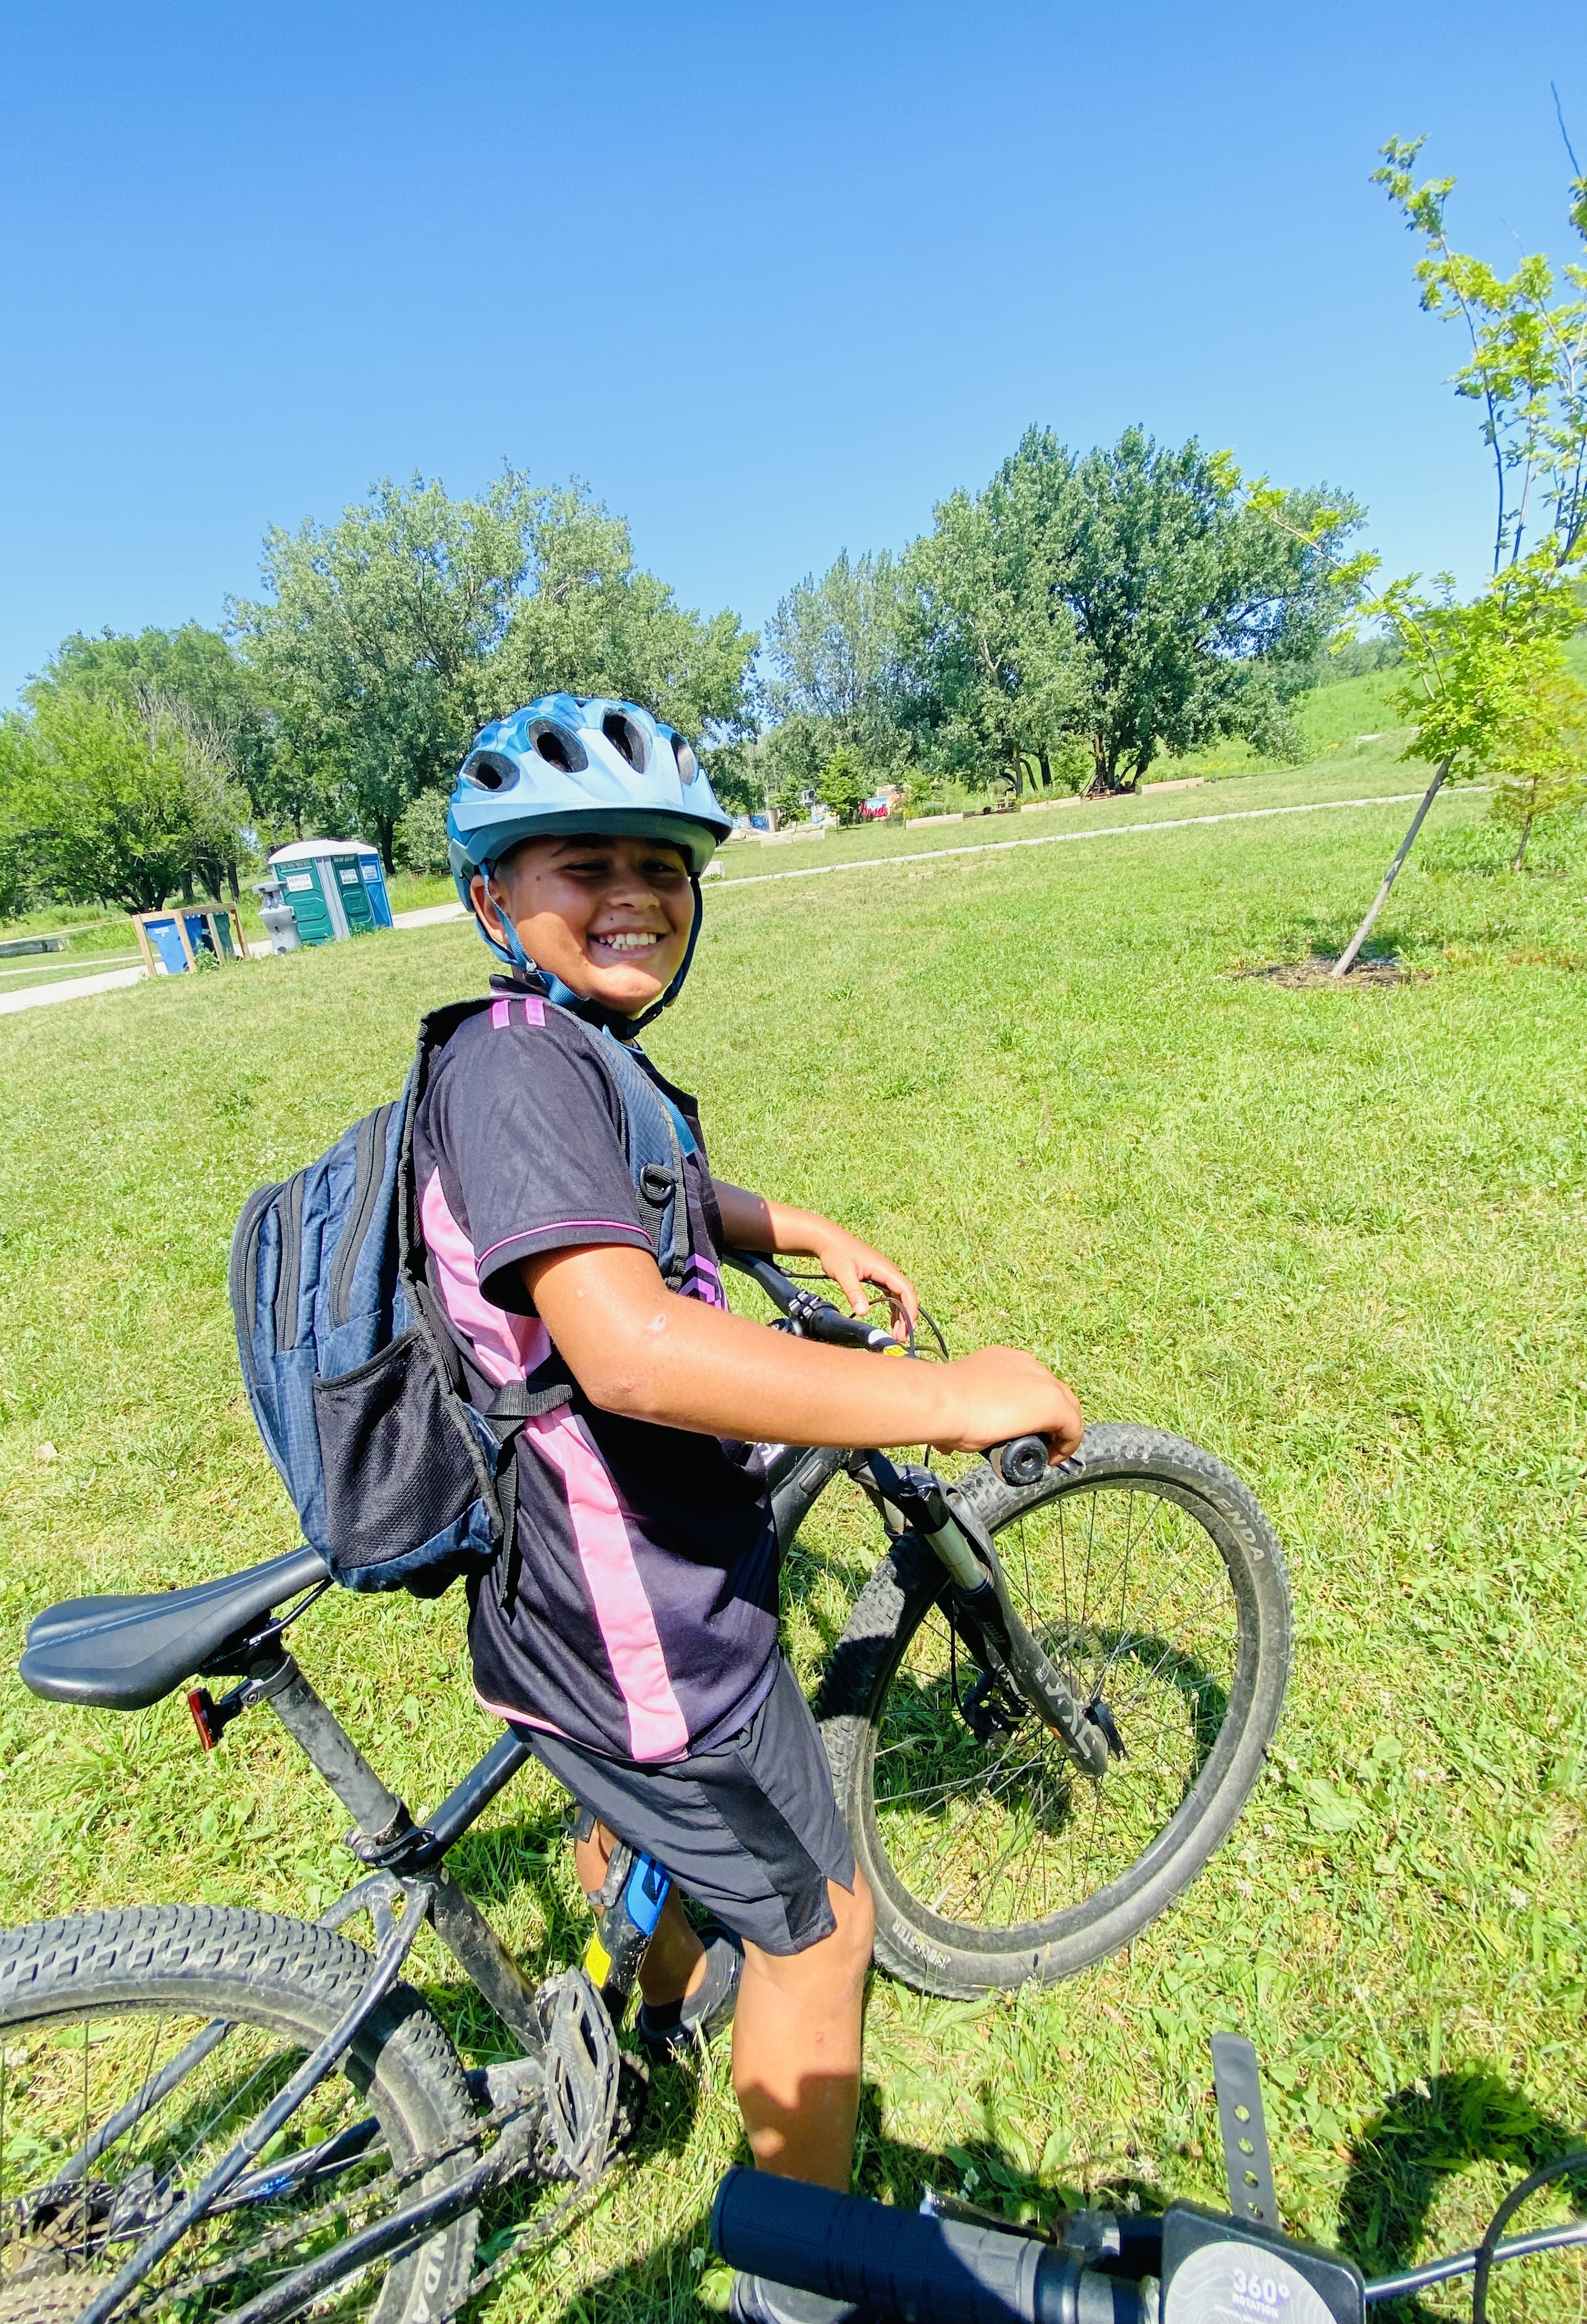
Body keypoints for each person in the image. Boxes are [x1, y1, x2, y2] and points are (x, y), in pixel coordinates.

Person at [419, 693, 1082, 2324]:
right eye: (589, 867)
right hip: (638, 1612)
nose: (638, 893)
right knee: (824, 1928)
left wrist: (804, 1224)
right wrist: (952, 1393)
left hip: (562, 1594)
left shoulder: (560, 1052)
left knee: (659, 1836)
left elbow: (654, 1188)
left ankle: (631, 2023)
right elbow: (634, 1352)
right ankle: (800, 2294)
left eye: (668, 865)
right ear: (495, 899)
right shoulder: (517, 1073)